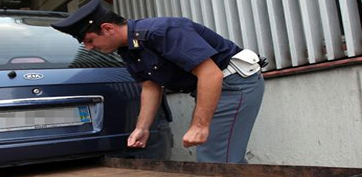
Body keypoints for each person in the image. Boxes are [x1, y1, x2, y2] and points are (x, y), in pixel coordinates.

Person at [51, 0, 265, 163]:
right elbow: (150, 86)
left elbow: (211, 75)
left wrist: (200, 125)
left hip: (234, 84)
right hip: (216, 87)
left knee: (215, 160)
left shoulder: (163, 31)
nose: (88, 48)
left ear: (107, 28)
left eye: (89, 40)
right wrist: (141, 128)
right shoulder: (128, 49)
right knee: (225, 157)